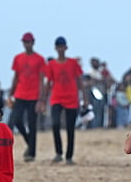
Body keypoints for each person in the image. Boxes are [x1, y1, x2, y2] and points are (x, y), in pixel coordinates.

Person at [41, 36, 87, 165]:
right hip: (57, 98)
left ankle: (69, 156)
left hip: (71, 99)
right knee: (55, 124)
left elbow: (80, 81)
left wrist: (85, 98)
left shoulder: (73, 63)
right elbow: (48, 83)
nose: (60, 49)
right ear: (56, 48)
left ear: (66, 48)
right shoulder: (51, 65)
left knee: (70, 128)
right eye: (58, 46)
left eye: (62, 46)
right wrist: (43, 100)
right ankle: (58, 152)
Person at [8, 32, 47, 162]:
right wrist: (11, 93)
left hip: (33, 96)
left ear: (33, 43)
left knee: (32, 124)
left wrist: (41, 99)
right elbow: (16, 77)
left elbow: (42, 80)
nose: (26, 44)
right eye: (25, 42)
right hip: (20, 94)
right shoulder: (18, 58)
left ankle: (32, 153)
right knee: (16, 120)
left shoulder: (39, 59)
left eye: (28, 42)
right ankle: (29, 142)